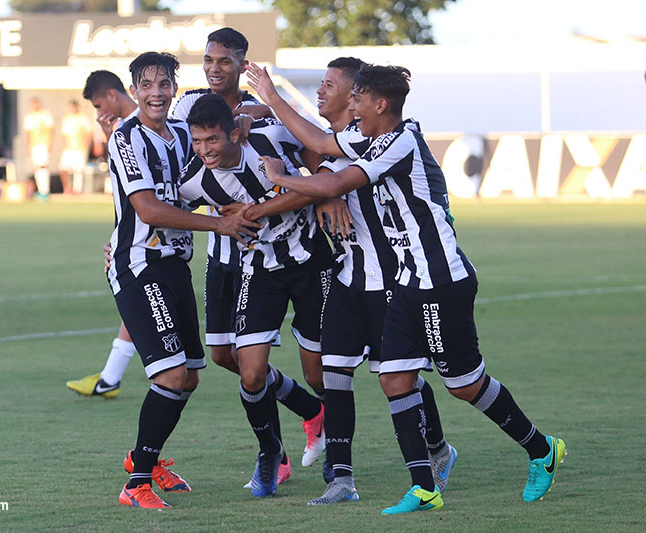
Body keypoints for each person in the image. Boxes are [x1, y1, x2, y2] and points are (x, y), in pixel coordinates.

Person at [257, 63, 566, 515]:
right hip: (407, 281)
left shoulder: (398, 142)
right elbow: (322, 144)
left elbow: (338, 179)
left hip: (440, 281)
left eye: (359, 99)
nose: (353, 107)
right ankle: (424, 487)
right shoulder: (372, 136)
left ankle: (542, 449)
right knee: (395, 377)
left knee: (464, 384)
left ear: (380, 104)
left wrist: (281, 177)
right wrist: (270, 98)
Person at [242, 57, 456, 506]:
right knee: (332, 372)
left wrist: (317, 187)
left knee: (402, 377)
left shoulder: (385, 142)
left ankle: (437, 450)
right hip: (346, 276)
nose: (321, 91)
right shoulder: (350, 139)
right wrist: (270, 107)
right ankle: (341, 478)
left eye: (331, 85)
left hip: (395, 280)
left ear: (359, 95)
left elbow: (333, 173)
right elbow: (318, 147)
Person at [173, 28, 327, 482]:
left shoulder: (265, 128)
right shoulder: (189, 108)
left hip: (280, 255)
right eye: (208, 60)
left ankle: (315, 441)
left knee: (313, 365)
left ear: (242, 63)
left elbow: (313, 153)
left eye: (224, 60)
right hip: (227, 255)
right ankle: (297, 420)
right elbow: (163, 202)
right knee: (226, 357)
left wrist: (328, 192)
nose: (214, 67)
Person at [108, 52, 258, 509]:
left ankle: (144, 459)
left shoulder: (181, 134)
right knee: (172, 373)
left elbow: (191, 191)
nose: (157, 92)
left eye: (164, 84)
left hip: (174, 264)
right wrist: (221, 224)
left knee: (190, 375)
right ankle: (135, 484)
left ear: (176, 88)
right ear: (134, 91)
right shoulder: (127, 137)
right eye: (147, 84)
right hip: (139, 264)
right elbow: (149, 210)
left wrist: (248, 121)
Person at [66, 70, 141, 400]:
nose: (97, 114)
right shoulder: (123, 130)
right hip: (133, 231)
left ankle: (113, 378)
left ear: (113, 95)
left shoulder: (143, 126)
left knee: (137, 297)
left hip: (147, 235)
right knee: (136, 299)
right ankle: (111, 376)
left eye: (98, 105)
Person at [58, 100, 93, 194]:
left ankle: (77, 190)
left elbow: (89, 133)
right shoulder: (67, 119)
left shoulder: (83, 118)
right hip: (69, 148)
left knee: (78, 170)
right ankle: (67, 187)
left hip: (80, 148)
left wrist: (86, 146)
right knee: (63, 168)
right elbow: (64, 134)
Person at [23, 97, 54, 200]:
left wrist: (49, 144)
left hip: (43, 144)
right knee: (36, 168)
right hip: (34, 145)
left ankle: (45, 190)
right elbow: (27, 133)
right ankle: (41, 190)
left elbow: (50, 130)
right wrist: (28, 147)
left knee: (43, 167)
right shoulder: (29, 117)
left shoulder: (45, 115)